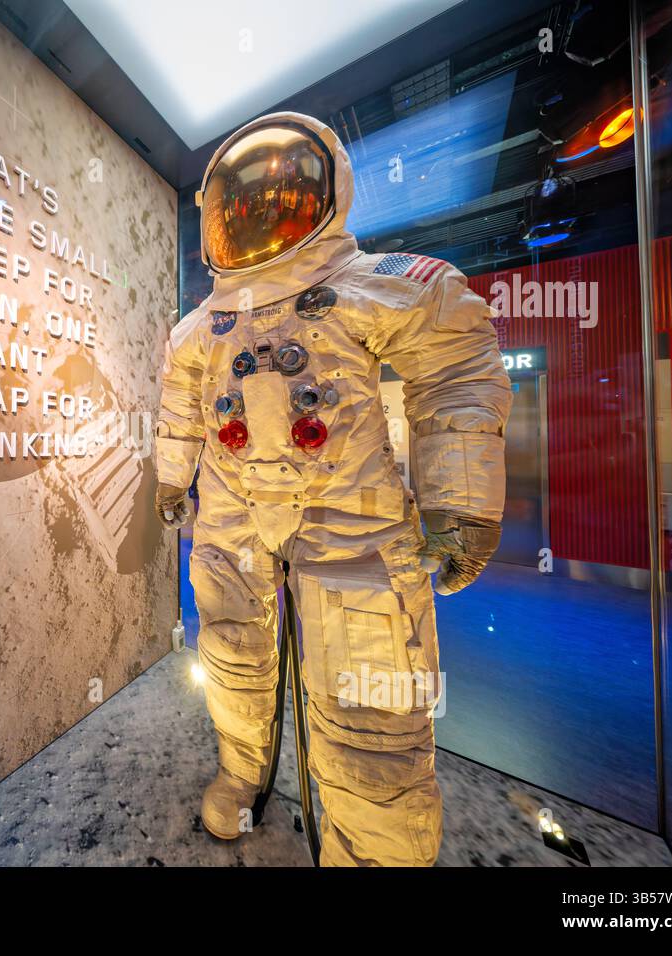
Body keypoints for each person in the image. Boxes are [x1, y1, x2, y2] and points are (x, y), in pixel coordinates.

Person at [155, 112, 511, 866]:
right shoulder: (198, 330)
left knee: (369, 693)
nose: (255, 217)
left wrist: (459, 502)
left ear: (325, 192)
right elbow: (179, 410)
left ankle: (376, 851)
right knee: (232, 655)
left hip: (350, 514)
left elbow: (454, 372)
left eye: (276, 199)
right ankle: (242, 771)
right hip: (230, 515)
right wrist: (168, 479)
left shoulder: (371, 287)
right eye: (241, 206)